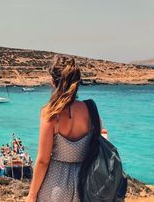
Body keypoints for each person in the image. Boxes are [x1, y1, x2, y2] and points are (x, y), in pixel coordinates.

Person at [26, 56, 99, 202]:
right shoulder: (90, 109)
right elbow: (98, 142)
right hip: (85, 183)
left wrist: (32, 194)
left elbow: (43, 161)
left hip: (55, 184)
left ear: (53, 82)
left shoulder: (50, 114)